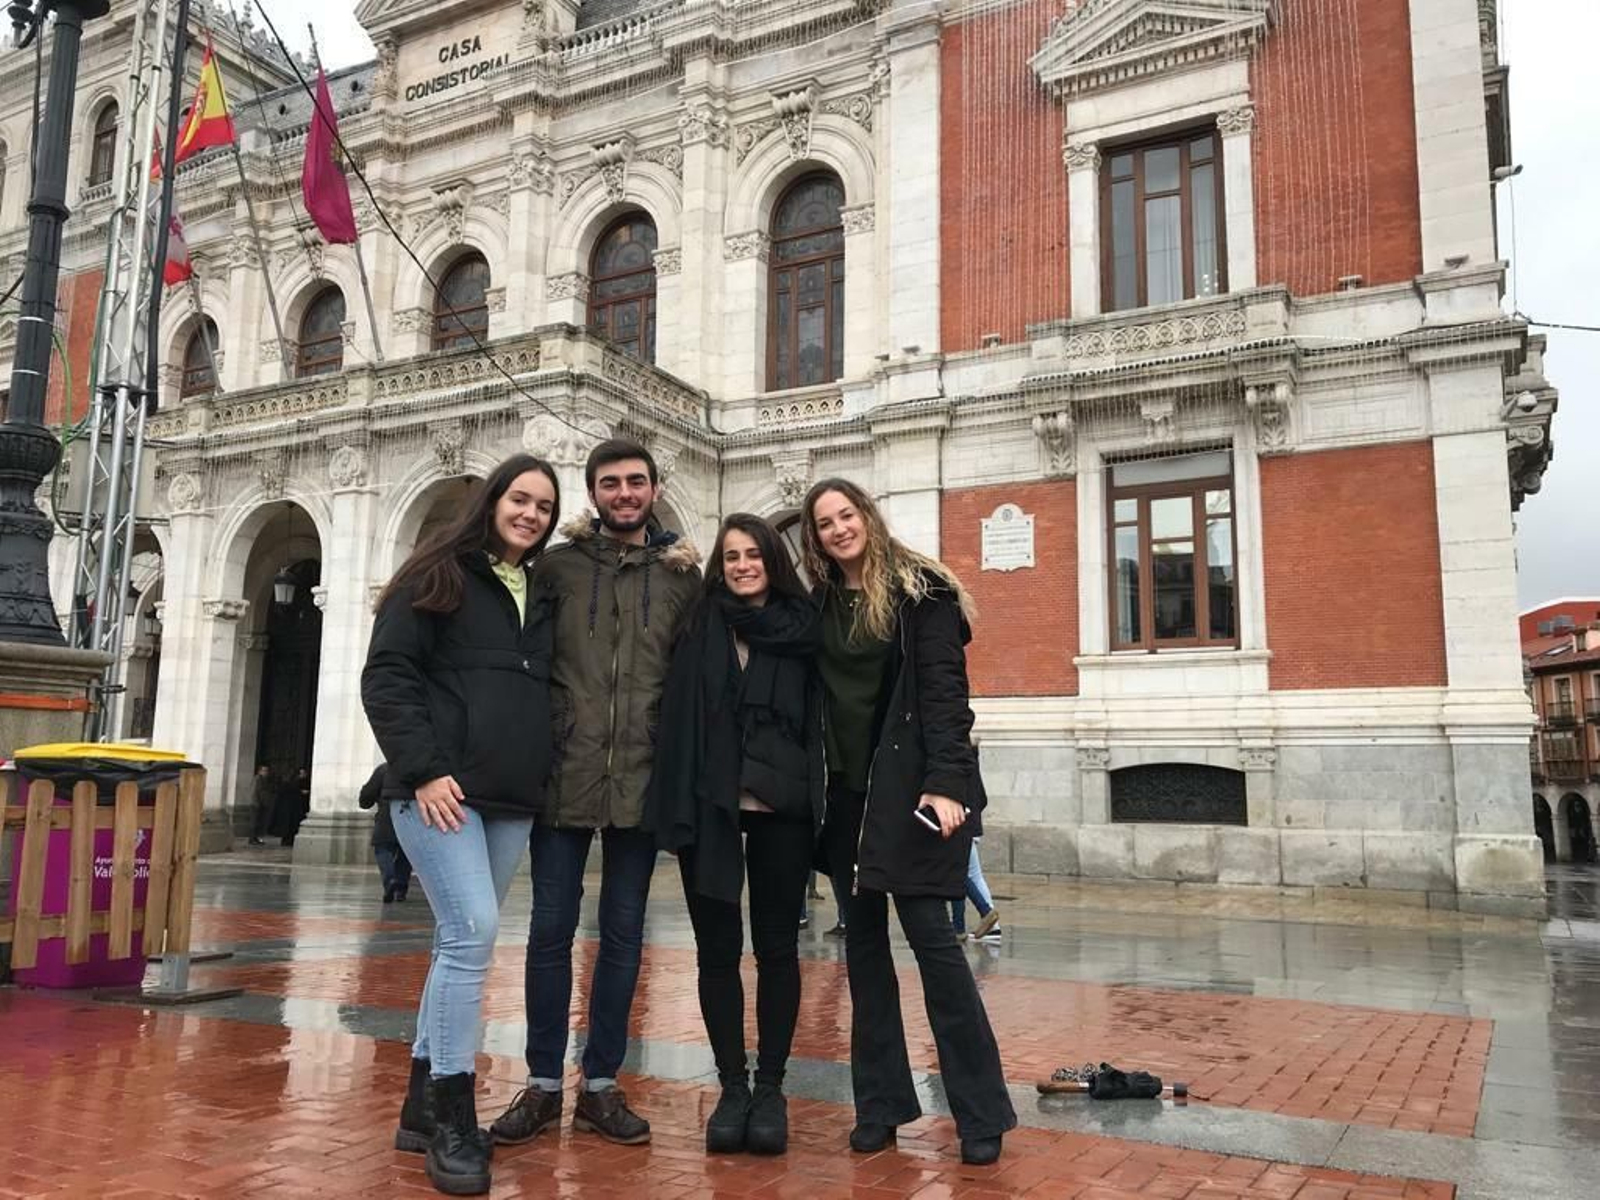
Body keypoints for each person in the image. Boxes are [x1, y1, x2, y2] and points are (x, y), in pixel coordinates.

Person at [491, 438, 700, 1150]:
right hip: (561, 778)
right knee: (549, 934)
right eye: (610, 484)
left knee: (623, 938)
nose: (624, 494)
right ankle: (545, 1083)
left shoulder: (682, 580)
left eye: (636, 482)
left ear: (653, 488)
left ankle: (602, 1083)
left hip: (642, 783)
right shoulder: (555, 570)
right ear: (593, 494)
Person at [361, 454, 561, 1197]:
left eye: (544, 506)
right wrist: (422, 767)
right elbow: (386, 677)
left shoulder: (541, 590)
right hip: (438, 793)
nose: (531, 514)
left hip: (510, 798)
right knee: (473, 935)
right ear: (492, 500)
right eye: (520, 499)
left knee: (460, 941)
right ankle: (452, 1116)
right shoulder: (437, 573)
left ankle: (419, 1107)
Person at [802, 477, 1016, 1167]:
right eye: (824, 523)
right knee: (863, 957)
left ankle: (980, 1114)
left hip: (915, 800)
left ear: (867, 515)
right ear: (815, 537)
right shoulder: (822, 602)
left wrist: (949, 782)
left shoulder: (922, 591)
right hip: (846, 803)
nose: (838, 529)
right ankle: (881, 1106)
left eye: (847, 514)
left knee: (937, 951)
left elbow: (947, 693)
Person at [646, 514, 824, 1155]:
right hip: (709, 802)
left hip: (784, 807)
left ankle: (770, 1087)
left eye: (754, 554)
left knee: (777, 948)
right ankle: (732, 1085)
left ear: (774, 561)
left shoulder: (804, 628)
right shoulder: (700, 622)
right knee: (716, 951)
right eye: (731, 556)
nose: (743, 565)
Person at [359, 763, 412, 903]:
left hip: (387, 816)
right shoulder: (419, 767)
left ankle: (390, 880)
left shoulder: (384, 769)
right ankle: (400, 887)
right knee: (406, 853)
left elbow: (367, 795)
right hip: (411, 816)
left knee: (382, 849)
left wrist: (365, 800)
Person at [950, 839, 1002, 942]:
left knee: (957, 872)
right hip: (966, 832)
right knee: (962, 874)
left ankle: (984, 913)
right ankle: (959, 927)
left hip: (958, 833)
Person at [248, 764, 275, 846]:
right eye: (264, 770)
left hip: (261, 804)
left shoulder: (264, 780)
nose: (266, 772)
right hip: (256, 804)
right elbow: (255, 792)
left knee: (259, 822)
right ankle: (252, 838)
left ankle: (256, 838)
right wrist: (257, 803)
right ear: (259, 771)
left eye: (267, 771)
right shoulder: (258, 779)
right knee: (254, 821)